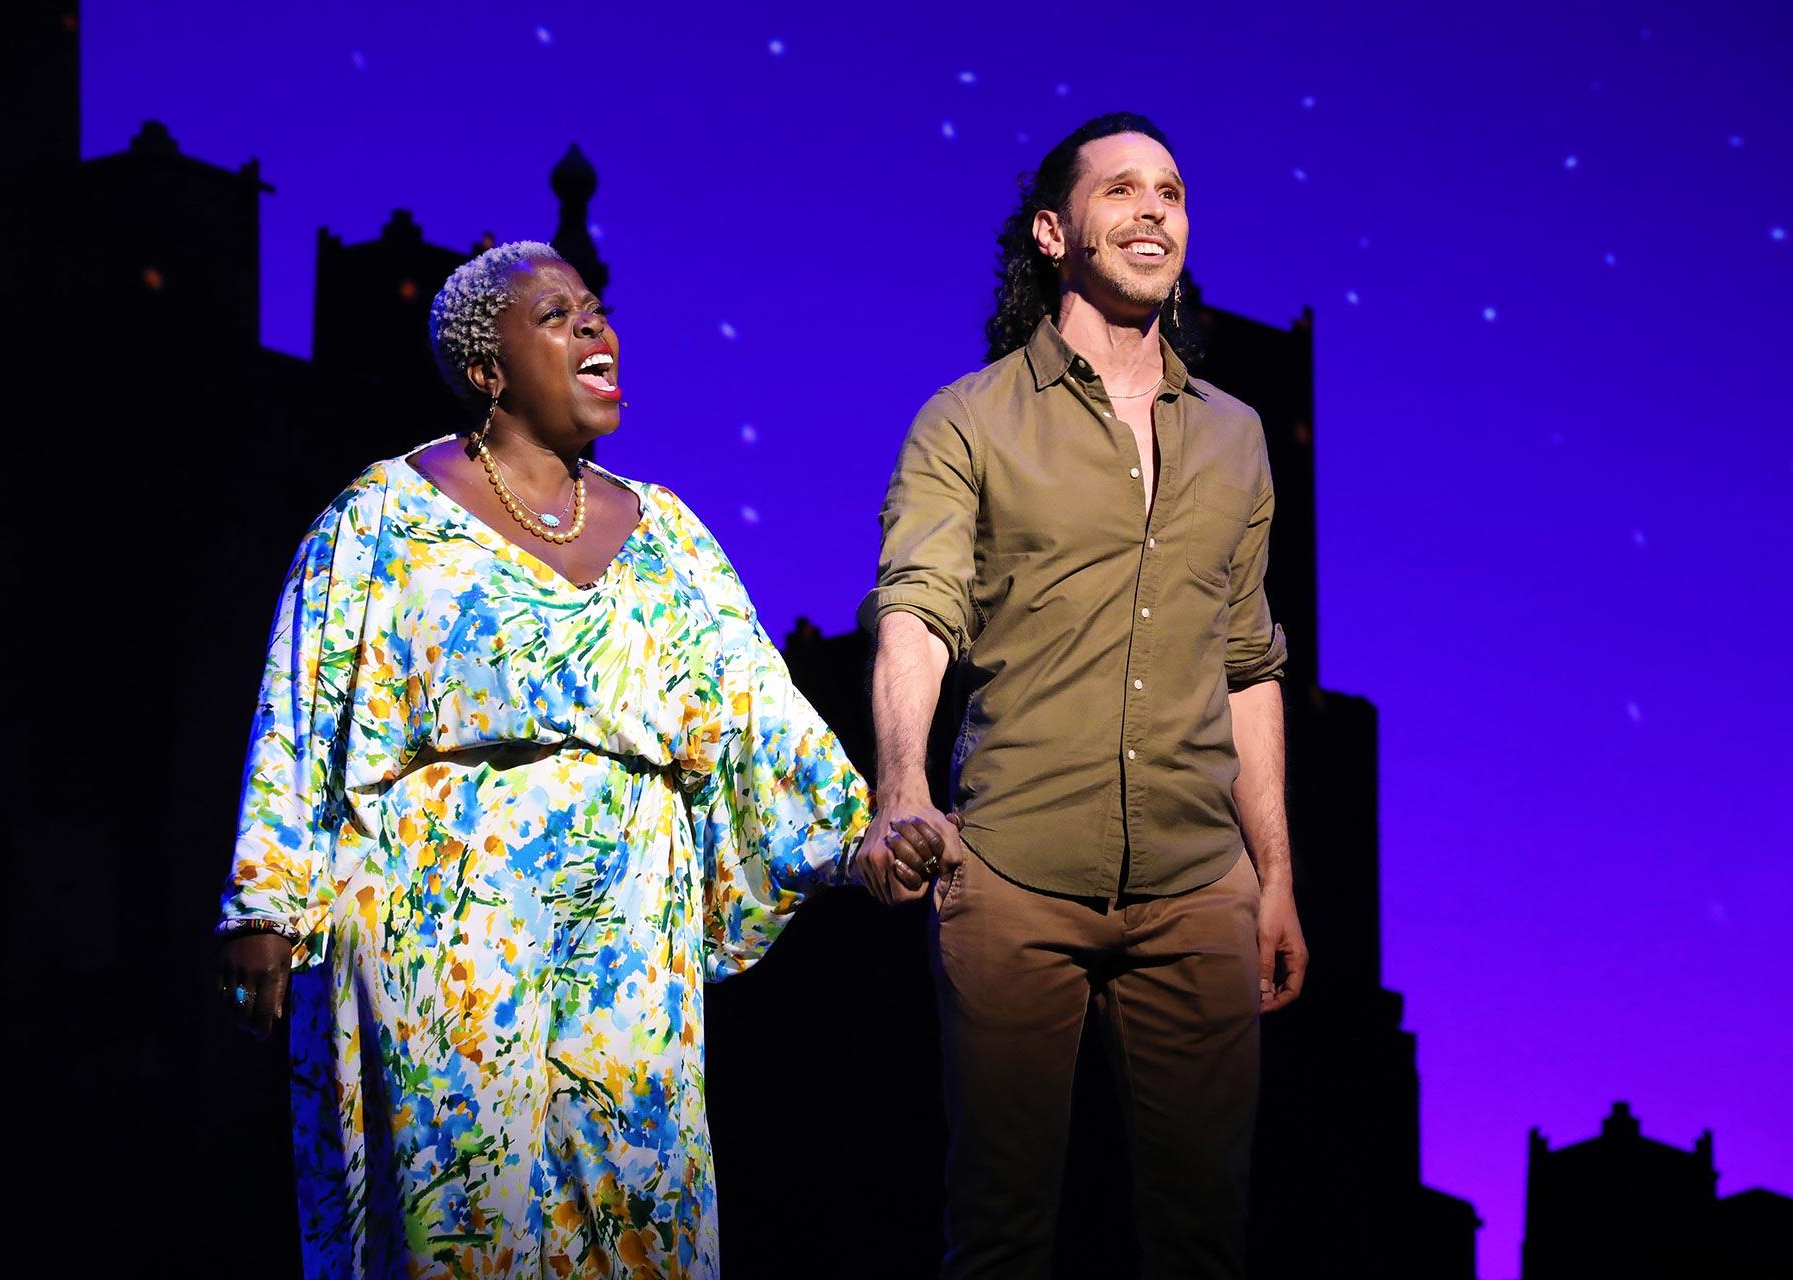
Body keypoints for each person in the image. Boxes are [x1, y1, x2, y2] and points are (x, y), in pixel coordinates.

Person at [215, 240, 941, 1279]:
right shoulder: (379, 520)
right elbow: (301, 706)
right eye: (556, 316)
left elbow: (761, 717)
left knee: (636, 1215)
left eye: (596, 310)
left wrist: (865, 835)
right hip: (444, 938)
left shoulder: (674, 539)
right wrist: (263, 904)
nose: (596, 330)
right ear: (487, 369)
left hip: (628, 952)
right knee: (470, 1221)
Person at [852, 113, 1311, 1278]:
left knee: (1205, 1238)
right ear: (1056, 231)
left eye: (1172, 190)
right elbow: (917, 607)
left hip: (1198, 884)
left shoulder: (1238, 437)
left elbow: (1248, 660)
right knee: (1001, 1231)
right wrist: (903, 786)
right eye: (1123, 190)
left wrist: (1275, 882)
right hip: (1012, 875)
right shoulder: (967, 419)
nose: (1155, 209)